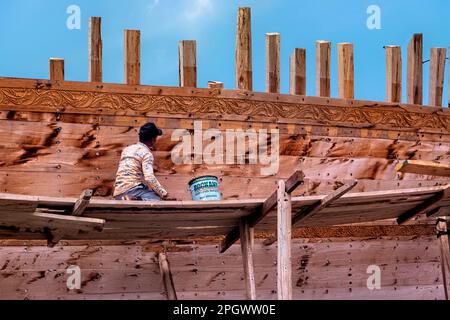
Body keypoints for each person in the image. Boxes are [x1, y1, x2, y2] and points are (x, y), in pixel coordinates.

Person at [113, 122, 175, 201]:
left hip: (118, 193)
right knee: (158, 200)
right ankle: (136, 199)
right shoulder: (146, 153)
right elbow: (149, 178)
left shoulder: (127, 149)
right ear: (153, 139)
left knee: (147, 191)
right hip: (133, 190)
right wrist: (164, 194)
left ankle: (131, 198)